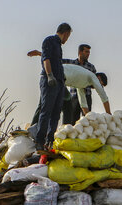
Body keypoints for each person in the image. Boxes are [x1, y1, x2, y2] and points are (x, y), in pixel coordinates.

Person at [28, 43, 96, 124]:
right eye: (86, 52)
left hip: (86, 95)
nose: (88, 54)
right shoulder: (72, 63)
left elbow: (94, 83)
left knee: (87, 119)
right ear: (80, 52)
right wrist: (40, 53)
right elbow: (56, 61)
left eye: (89, 52)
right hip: (74, 95)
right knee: (73, 120)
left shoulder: (91, 67)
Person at [30, 64, 111, 125]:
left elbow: (83, 103)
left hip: (52, 76)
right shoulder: (92, 76)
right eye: (101, 84)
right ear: (98, 78)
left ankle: (33, 126)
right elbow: (103, 96)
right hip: (57, 77)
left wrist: (89, 119)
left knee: (43, 104)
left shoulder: (83, 82)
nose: (100, 86)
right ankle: (65, 130)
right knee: (67, 106)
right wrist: (109, 115)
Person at [34, 22, 71, 150]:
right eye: (68, 36)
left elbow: (56, 62)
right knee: (46, 110)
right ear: (65, 33)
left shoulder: (59, 46)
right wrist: (49, 75)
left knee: (56, 113)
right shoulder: (49, 40)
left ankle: (50, 140)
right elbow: (46, 58)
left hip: (59, 82)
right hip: (50, 81)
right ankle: (40, 140)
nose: (67, 39)